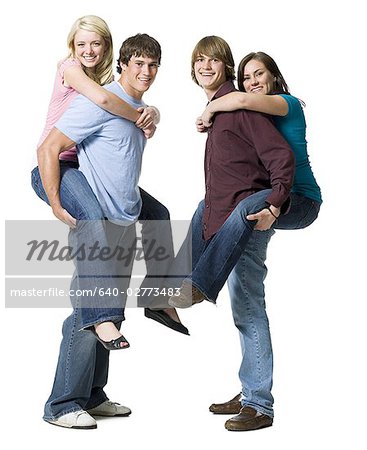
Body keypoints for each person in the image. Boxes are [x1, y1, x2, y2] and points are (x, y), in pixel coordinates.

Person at [34, 33, 185, 430]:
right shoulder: (99, 100)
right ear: (121, 65)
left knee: (108, 312)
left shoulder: (139, 109)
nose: (146, 72)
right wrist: (56, 201)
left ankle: (94, 395)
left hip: (121, 219)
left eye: (152, 65)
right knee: (90, 310)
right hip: (94, 218)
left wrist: (151, 112)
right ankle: (62, 404)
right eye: (137, 64)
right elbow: (50, 147)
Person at [199, 52, 322, 431]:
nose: (252, 82)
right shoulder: (257, 116)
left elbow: (238, 99)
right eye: (247, 77)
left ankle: (259, 403)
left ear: (273, 77)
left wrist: (211, 110)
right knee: (244, 295)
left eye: (259, 74)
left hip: (298, 202)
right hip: (263, 205)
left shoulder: (285, 103)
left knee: (249, 301)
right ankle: (252, 384)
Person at [168, 37, 295, 311]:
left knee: (248, 309)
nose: (205, 66)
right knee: (247, 309)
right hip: (237, 209)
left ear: (226, 66)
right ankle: (177, 283)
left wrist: (275, 204)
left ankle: (199, 285)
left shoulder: (242, 107)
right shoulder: (221, 111)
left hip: (263, 209)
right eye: (199, 60)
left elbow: (281, 156)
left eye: (213, 59)